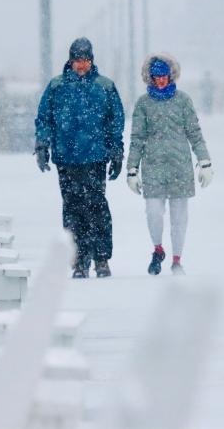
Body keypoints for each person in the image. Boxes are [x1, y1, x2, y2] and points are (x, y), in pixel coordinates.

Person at [34, 37, 125, 279]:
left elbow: (115, 121)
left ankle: (101, 258)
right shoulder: (56, 86)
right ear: (71, 60)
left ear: (91, 60)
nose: (81, 65)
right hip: (66, 158)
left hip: (95, 157)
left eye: (85, 60)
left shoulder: (104, 86)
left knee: (97, 207)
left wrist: (116, 150)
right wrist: (42, 143)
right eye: (77, 60)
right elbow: (44, 118)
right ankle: (78, 260)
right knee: (72, 209)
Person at [126, 53, 213, 275]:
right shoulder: (143, 104)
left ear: (171, 75)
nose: (161, 80)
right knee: (153, 212)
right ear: (150, 78)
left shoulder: (183, 101)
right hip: (153, 166)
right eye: (157, 76)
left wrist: (204, 161)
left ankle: (177, 259)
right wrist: (132, 169)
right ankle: (158, 248)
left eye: (164, 76)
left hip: (179, 167)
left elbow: (194, 132)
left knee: (179, 217)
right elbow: (137, 138)